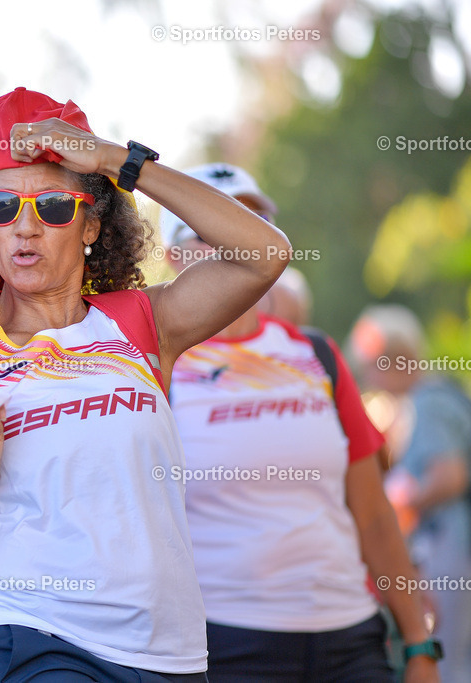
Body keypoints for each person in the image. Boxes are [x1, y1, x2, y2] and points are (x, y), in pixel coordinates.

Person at [0, 87, 291, 681]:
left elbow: (264, 252)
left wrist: (114, 161)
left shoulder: (139, 323)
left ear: (91, 224)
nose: (25, 229)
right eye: (1, 208)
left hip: (170, 655)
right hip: (27, 638)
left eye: (53, 207)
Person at [163, 163, 439, 682]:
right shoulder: (157, 366)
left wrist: (420, 645)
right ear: (172, 255)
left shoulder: (316, 352)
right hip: (226, 645)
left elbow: (375, 515)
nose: (236, 239)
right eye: (212, 226)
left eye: (251, 221)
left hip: (352, 640)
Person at [347, 304, 471, 682]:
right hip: (445, 547)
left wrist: (400, 503)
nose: (369, 377)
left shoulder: (428, 402)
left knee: (448, 658)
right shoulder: (430, 397)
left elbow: (451, 475)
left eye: (373, 365)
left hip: (446, 548)